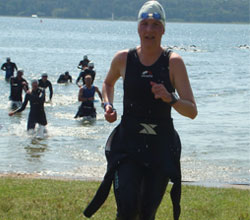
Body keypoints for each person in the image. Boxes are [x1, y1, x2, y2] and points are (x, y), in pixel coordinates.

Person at [84, 1, 197, 220]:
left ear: (163, 29)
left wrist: (170, 97)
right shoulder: (124, 59)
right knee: (126, 210)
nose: (149, 30)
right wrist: (108, 105)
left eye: (155, 25)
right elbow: (108, 84)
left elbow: (192, 111)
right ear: (138, 28)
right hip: (128, 146)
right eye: (145, 24)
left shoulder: (173, 62)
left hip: (160, 147)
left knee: (146, 213)